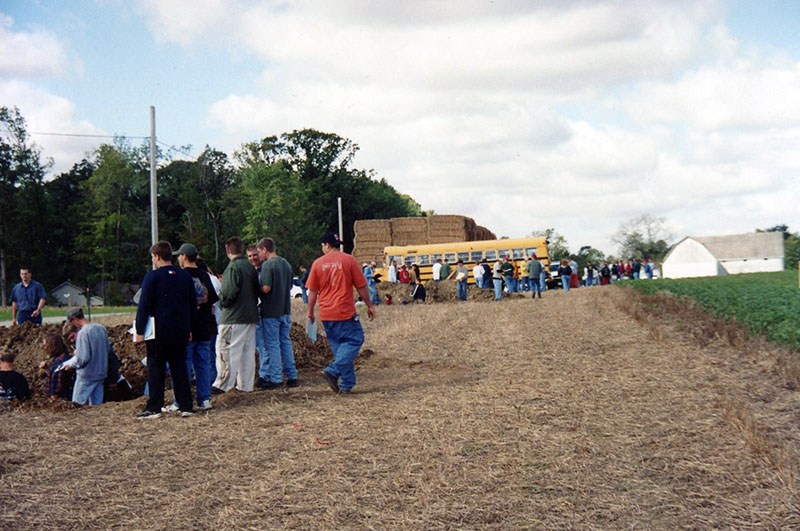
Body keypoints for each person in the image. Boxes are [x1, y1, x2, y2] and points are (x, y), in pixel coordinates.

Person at [306, 231, 375, 394]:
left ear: (326, 245)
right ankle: (333, 370)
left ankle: (347, 384)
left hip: (326, 314)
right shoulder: (349, 260)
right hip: (344, 312)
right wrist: (370, 305)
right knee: (355, 340)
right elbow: (361, 286)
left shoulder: (317, 264)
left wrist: (310, 311)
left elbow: (312, 291)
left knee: (341, 350)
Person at [135, 241, 197, 419]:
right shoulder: (184, 276)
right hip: (180, 330)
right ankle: (186, 405)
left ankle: (154, 406)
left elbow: (144, 305)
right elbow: (192, 304)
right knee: (180, 368)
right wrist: (190, 328)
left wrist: (139, 330)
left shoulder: (152, 277)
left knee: (156, 368)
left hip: (158, 330)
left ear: (157, 256)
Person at [171, 243, 219, 411]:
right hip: (204, 327)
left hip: (187, 328)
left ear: (184, 256)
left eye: (179, 255)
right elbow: (212, 299)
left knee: (182, 365)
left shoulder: (179, 276)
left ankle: (180, 401)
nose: (177, 258)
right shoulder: (204, 275)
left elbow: (177, 303)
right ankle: (205, 399)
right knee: (203, 365)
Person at [212, 237, 259, 394]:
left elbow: (229, 294)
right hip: (250, 316)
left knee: (225, 349)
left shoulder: (233, 267)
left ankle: (222, 384)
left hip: (233, 317)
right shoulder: (249, 266)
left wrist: (219, 296)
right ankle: (245, 385)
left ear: (228, 250)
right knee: (247, 353)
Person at [256, 237, 299, 390]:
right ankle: (292, 376)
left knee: (272, 345)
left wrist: (256, 288)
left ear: (264, 249)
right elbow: (289, 287)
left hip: (270, 312)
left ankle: (276, 378)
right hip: (285, 310)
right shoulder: (286, 264)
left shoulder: (268, 265)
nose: (258, 255)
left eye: (259, 251)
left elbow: (266, 288)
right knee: (286, 342)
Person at [61, 307, 109, 406]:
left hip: (87, 376)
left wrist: (71, 365)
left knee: (77, 405)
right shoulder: (101, 328)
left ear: (75, 319)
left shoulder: (83, 333)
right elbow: (107, 349)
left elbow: (83, 358)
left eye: (71, 321)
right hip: (100, 373)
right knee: (97, 406)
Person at [247, 245, 270, 387]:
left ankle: (265, 374)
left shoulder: (265, 270)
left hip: (264, 312)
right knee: (258, 345)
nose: (252, 258)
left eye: (255, 255)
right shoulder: (251, 271)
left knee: (263, 345)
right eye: (249, 256)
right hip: (254, 312)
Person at [39, 333, 75, 400]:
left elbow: (57, 380)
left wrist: (53, 398)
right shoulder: (58, 359)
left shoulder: (61, 361)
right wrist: (46, 369)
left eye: (45, 345)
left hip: (63, 399)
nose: (44, 348)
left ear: (52, 346)